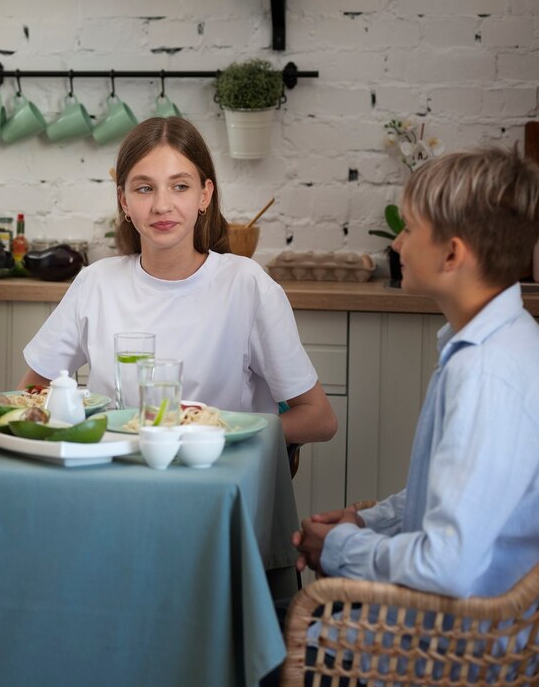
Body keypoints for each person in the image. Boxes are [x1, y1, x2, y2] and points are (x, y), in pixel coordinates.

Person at [293, 147, 539, 597]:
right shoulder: (497, 342)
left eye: (409, 229)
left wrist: (342, 547)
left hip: (475, 648)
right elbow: (452, 504)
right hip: (478, 622)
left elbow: (446, 564)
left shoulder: (488, 375)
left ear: (452, 255)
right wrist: (366, 523)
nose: (396, 244)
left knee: (248, 645)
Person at [19, 117, 337, 446]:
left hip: (216, 478)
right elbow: (30, 393)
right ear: (124, 201)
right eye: (144, 188)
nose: (161, 205)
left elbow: (320, 418)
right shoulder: (95, 283)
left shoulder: (247, 286)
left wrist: (221, 435)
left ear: (205, 195)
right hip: (113, 475)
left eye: (180, 186)